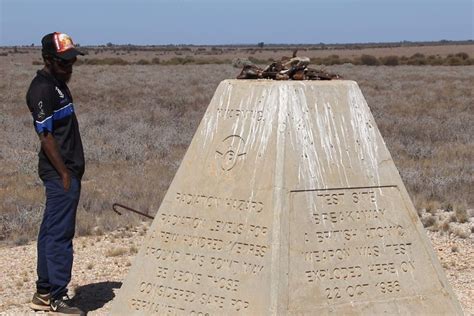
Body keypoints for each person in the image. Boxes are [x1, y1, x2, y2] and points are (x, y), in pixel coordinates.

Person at [26, 32, 85, 315]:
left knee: (50, 231)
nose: (69, 67)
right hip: (60, 173)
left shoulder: (58, 83)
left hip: (66, 170)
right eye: (64, 63)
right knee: (61, 234)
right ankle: (58, 297)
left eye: (72, 61)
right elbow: (45, 135)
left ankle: (44, 291)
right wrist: (63, 174)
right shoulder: (41, 90)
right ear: (48, 60)